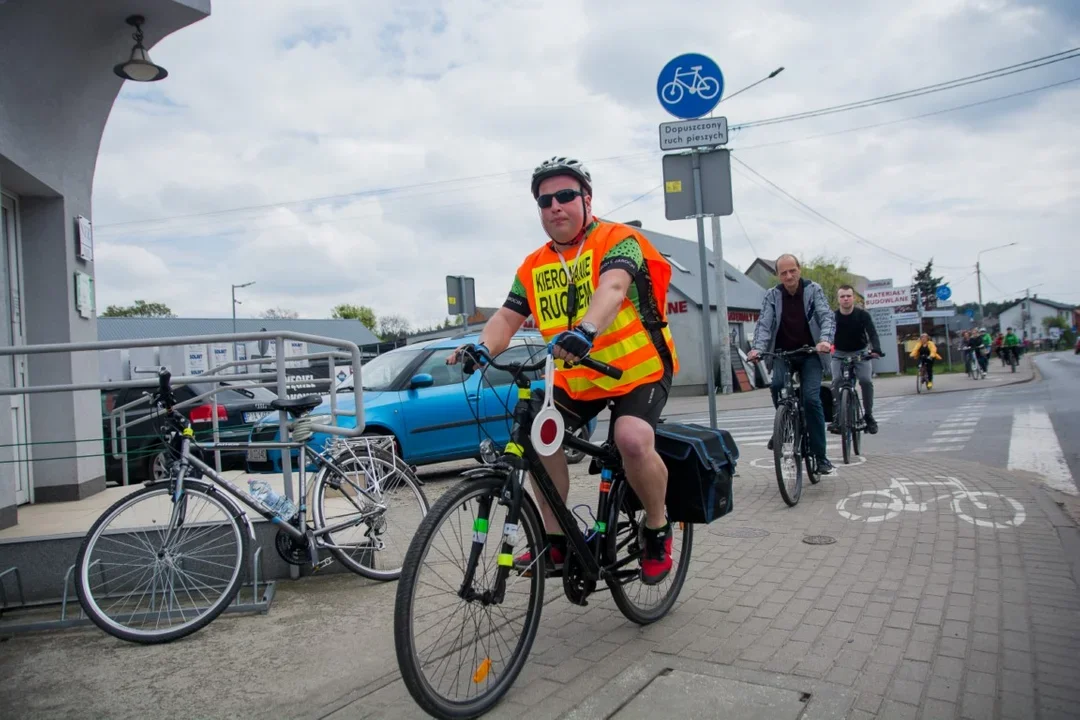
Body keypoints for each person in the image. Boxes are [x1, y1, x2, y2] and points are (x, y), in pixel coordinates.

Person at [446, 156, 680, 584]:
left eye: (566, 196)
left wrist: (587, 329)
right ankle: (555, 541)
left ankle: (657, 528)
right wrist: (480, 349)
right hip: (576, 377)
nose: (555, 206)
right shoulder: (533, 265)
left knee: (630, 439)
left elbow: (612, 287)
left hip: (638, 370)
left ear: (587, 199)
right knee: (537, 439)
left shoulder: (620, 239)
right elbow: (506, 318)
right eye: (545, 200)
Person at [747, 254, 837, 475]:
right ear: (778, 275)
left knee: (811, 398)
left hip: (810, 353)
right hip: (782, 353)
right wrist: (758, 347)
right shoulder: (772, 295)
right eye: (783, 272)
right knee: (777, 386)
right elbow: (764, 324)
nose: (788, 276)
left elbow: (826, 317)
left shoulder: (813, 290)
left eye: (792, 271)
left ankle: (820, 455)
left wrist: (825, 340)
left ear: (799, 269)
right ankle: (784, 424)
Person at [829, 285, 883, 434]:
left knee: (865, 380)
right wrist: (825, 345)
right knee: (836, 381)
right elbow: (826, 334)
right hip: (839, 353)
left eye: (848, 296)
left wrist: (876, 349)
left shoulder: (862, 315)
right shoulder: (833, 317)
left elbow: (872, 333)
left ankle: (869, 416)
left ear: (853, 297)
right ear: (838, 299)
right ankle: (838, 417)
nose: (845, 299)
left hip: (860, 353)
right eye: (842, 296)